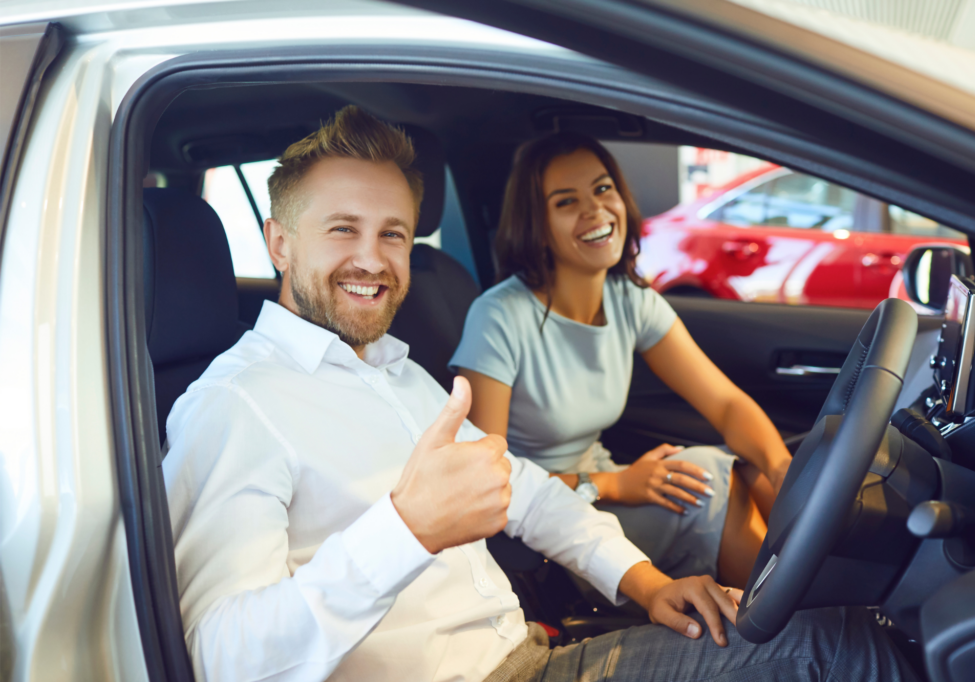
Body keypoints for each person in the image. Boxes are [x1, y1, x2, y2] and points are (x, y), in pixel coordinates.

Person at [162, 106, 916, 682]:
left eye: (393, 234)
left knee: (851, 638)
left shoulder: (396, 373)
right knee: (837, 656)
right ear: (279, 244)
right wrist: (406, 529)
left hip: (529, 655)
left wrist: (646, 583)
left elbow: (526, 492)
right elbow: (222, 658)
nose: (373, 258)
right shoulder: (235, 407)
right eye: (342, 231)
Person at [450, 133, 791, 588]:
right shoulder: (499, 316)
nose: (594, 210)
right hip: (546, 522)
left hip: (604, 481)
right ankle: (791, 628)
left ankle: (822, 612)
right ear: (538, 225)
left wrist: (782, 468)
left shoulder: (629, 298)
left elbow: (726, 404)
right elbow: (487, 481)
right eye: (566, 202)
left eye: (603, 188)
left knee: (748, 469)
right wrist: (611, 485)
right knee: (711, 487)